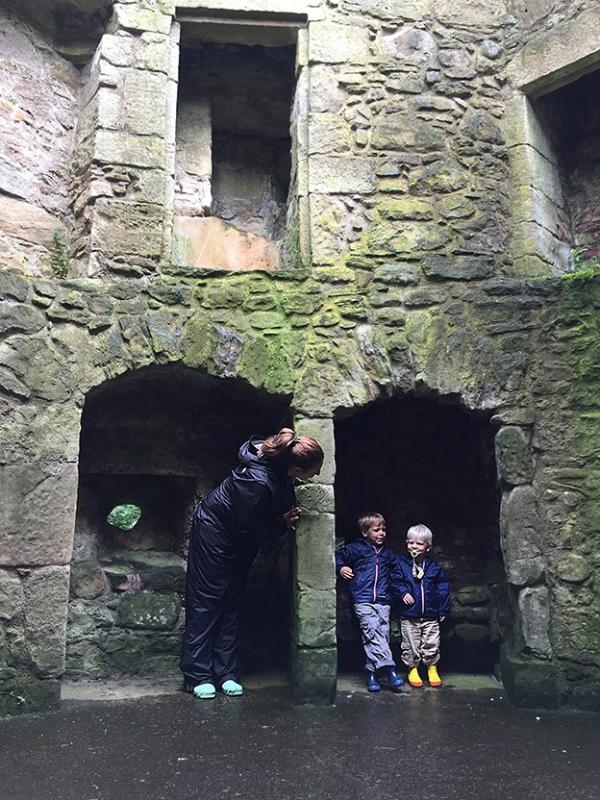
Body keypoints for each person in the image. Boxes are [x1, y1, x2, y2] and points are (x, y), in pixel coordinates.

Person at [181, 428, 324, 699]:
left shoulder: (277, 466)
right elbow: (248, 527)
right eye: (313, 470)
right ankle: (197, 674)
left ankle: (226, 673)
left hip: (237, 536)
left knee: (232, 601)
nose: (316, 475)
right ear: (295, 467)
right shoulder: (256, 483)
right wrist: (280, 524)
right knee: (207, 601)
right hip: (216, 534)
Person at [335, 512, 405, 693]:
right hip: (363, 599)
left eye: (383, 529)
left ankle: (371, 673)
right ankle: (390, 670)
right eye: (376, 530)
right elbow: (337, 556)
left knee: (380, 635)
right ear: (365, 533)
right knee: (372, 632)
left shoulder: (388, 554)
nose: (381, 533)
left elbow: (400, 568)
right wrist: (341, 567)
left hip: (383, 600)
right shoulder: (356, 549)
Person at [397, 523, 450, 688]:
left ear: (428, 547)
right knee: (411, 643)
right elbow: (395, 581)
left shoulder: (434, 568)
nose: (414, 546)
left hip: (430, 614)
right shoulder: (401, 565)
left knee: (431, 642)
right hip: (409, 614)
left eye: (419, 543)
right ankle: (412, 669)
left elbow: (443, 589)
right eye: (410, 542)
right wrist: (402, 592)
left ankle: (431, 667)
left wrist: (442, 609)